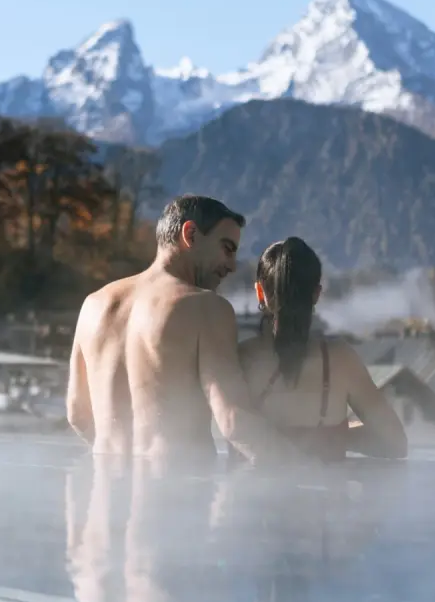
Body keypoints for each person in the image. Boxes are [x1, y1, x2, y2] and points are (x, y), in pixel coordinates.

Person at [65, 195, 299, 467]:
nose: (232, 266)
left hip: (105, 495)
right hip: (177, 494)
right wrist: (308, 472)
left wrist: (125, 465)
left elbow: (78, 413)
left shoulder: (94, 304)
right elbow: (234, 420)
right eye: (227, 248)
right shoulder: (205, 307)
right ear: (190, 234)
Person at [236, 237, 408, 463]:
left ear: (259, 292)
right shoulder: (340, 360)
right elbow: (395, 443)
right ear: (316, 293)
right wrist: (336, 435)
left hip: (255, 495)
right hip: (326, 496)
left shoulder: (241, 359)